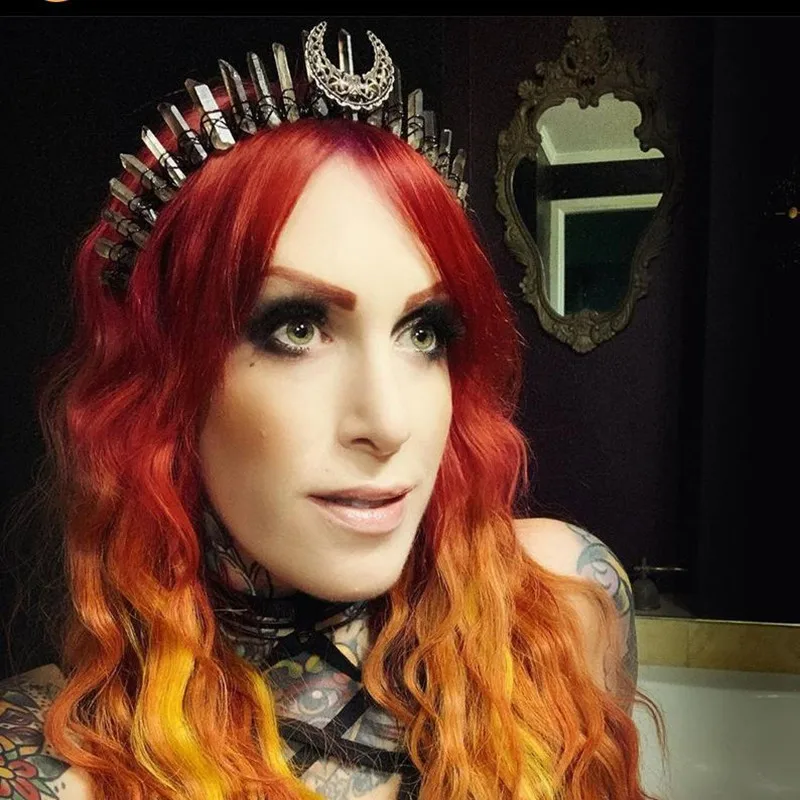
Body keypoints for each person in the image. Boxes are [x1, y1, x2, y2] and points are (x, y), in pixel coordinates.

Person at [0, 20, 663, 800]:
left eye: (423, 331)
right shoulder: (49, 767)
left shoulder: (564, 606)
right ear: (167, 382)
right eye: (297, 328)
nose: (387, 423)